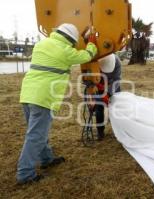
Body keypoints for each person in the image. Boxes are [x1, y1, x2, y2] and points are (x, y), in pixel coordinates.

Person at [17, 23, 98, 184]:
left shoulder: (41, 44)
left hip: (27, 94)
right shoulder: (66, 51)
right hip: (43, 97)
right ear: (70, 39)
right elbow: (87, 55)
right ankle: (25, 174)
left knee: (38, 133)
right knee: (36, 136)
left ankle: (47, 159)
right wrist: (91, 41)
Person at [94, 54, 122, 140]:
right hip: (99, 85)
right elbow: (89, 79)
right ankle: (100, 131)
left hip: (112, 85)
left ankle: (118, 130)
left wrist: (109, 93)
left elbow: (117, 80)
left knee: (116, 108)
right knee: (98, 108)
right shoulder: (94, 62)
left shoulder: (117, 61)